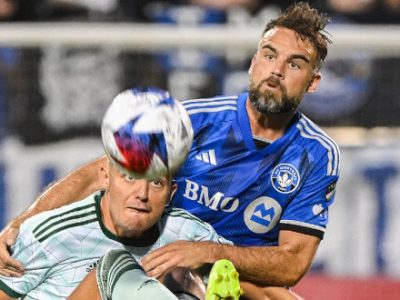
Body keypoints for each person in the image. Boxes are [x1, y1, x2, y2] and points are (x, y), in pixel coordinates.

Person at [0, 2, 340, 298]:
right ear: (253, 63)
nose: (277, 70)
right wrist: (18, 227)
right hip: (151, 263)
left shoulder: (316, 154)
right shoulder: (190, 121)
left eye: (295, 64)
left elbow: (292, 262)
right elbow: (98, 174)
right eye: (269, 56)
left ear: (313, 82)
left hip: (234, 279)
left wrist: (204, 252)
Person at [0, 116, 232, 299]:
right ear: (105, 176)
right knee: (116, 268)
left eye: (156, 182)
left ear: (171, 193)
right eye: (130, 178)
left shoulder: (190, 235)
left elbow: (262, 290)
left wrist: (213, 255)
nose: (141, 195)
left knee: (184, 277)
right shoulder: (48, 234)